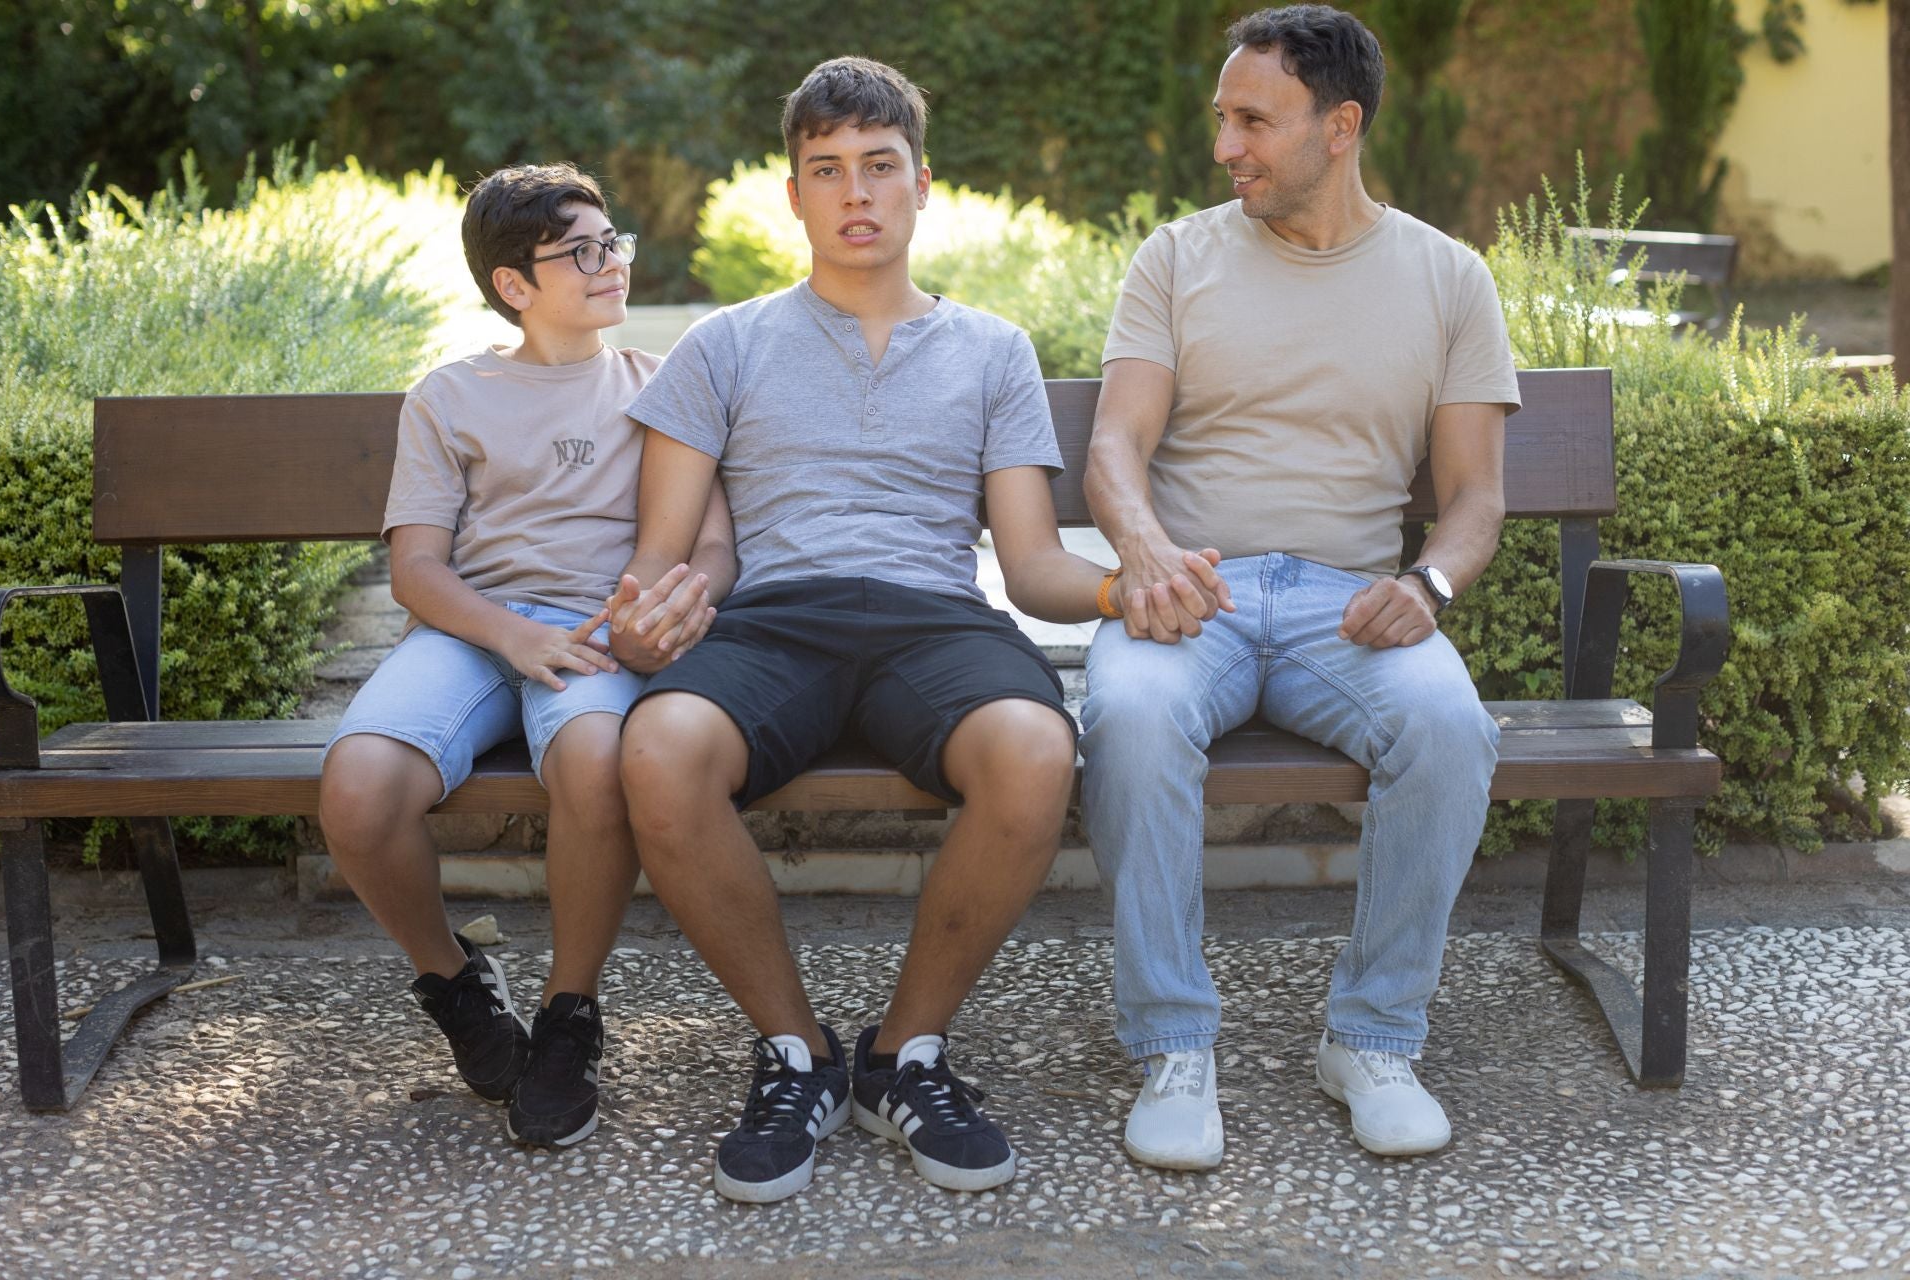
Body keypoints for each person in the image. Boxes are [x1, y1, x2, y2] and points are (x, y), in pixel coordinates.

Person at [613, 56, 1224, 1204]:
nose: (856, 193)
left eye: (880, 167)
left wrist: (1123, 587)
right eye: (827, 170)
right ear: (791, 194)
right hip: (773, 623)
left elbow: (1032, 562)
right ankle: (797, 1055)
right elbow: (662, 549)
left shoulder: (991, 349)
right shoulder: (723, 346)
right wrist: (652, 612)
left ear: (923, 184)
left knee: (1038, 749)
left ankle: (905, 1052)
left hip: (935, 621)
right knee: (656, 747)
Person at [1080, 3, 1521, 1167]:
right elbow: (1116, 447)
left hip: (1352, 600)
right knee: (1125, 713)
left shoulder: (1448, 276)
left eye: (1252, 121)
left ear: (1341, 124)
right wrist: (1146, 551)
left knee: (1446, 726)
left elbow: (1475, 496)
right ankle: (1176, 1045)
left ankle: (1371, 1038)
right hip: (1199, 588)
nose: (1226, 146)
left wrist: (1426, 584)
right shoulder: (1176, 256)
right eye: (1222, 119)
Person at [317, 163, 735, 1150]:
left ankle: (568, 1015)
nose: (609, 262)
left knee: (595, 763)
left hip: (600, 635)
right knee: (357, 786)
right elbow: (416, 568)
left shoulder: (660, 387)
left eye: (612, 241)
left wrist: (676, 600)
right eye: (581, 251)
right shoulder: (451, 396)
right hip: (472, 634)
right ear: (514, 283)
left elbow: (712, 539)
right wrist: (510, 634)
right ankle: (456, 985)